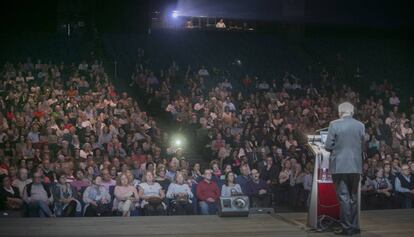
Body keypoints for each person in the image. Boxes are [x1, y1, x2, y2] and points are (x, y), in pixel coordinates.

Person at [324, 102, 365, 235]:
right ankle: (354, 226)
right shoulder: (360, 125)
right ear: (352, 112)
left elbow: (328, 146)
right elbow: (362, 144)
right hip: (355, 165)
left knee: (343, 196)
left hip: (340, 165)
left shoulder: (334, 124)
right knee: (353, 197)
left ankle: (347, 228)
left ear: (340, 112)